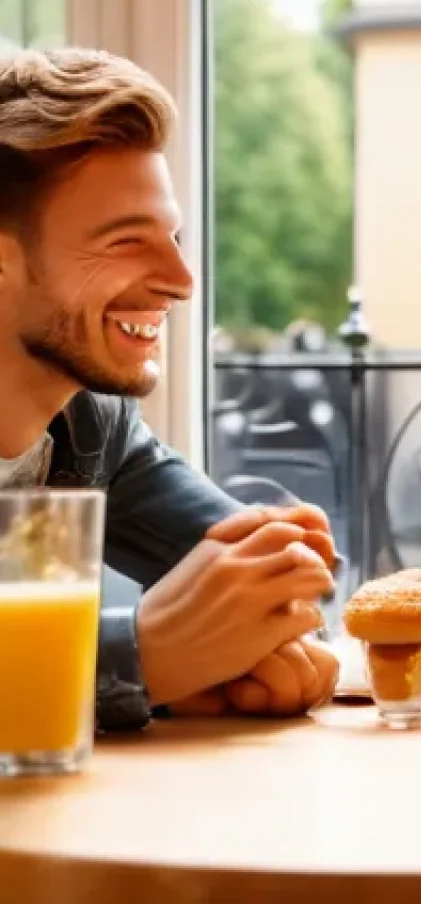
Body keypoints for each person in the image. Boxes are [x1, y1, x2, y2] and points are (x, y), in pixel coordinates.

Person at [0, 46, 340, 731]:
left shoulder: (94, 425)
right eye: (127, 241)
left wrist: (259, 628)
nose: (182, 280)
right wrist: (140, 657)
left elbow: (266, 603)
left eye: (173, 236)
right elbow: (167, 647)